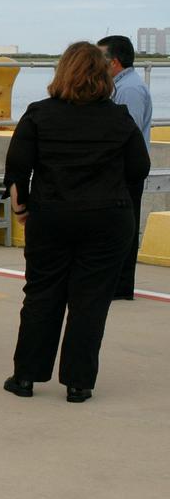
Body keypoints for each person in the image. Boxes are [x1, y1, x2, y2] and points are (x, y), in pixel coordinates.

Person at [2, 42, 150, 403]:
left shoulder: (39, 114)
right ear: (104, 75)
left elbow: (18, 168)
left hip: (51, 216)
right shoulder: (119, 119)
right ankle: (78, 383)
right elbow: (139, 169)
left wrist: (22, 210)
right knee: (91, 300)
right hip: (107, 219)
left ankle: (26, 376)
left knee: (41, 293)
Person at [97, 34, 153, 301]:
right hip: (121, 169)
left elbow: (124, 135)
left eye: (100, 58)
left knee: (124, 228)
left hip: (124, 171)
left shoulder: (128, 90)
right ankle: (117, 283)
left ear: (114, 62)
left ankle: (120, 286)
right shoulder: (121, 85)